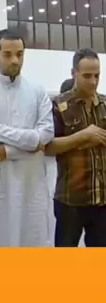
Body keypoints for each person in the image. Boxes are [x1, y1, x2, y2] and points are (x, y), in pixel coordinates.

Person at [0, 28, 54, 247]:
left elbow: (47, 133)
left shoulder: (38, 91)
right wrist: (32, 141)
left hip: (31, 183)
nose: (15, 60)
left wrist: (10, 151)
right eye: (7, 54)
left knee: (32, 240)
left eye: (19, 54)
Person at [45, 48, 106, 247]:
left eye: (97, 75)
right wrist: (82, 136)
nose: (93, 81)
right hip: (70, 200)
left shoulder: (105, 104)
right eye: (87, 76)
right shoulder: (59, 106)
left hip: (102, 199)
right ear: (74, 73)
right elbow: (48, 146)